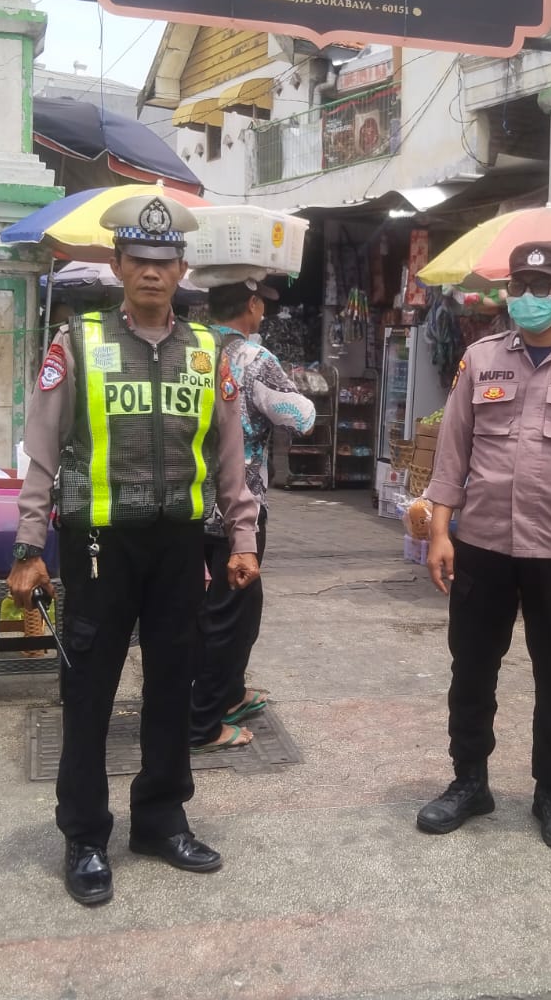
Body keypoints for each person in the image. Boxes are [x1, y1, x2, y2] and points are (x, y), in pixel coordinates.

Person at [8, 193, 261, 907]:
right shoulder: (77, 342)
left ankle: (160, 819)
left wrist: (242, 536)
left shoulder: (210, 351)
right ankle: (86, 836)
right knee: (88, 691)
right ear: (118, 265)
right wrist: (28, 543)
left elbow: (230, 456)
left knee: (173, 685)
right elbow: (42, 449)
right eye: (139, 260)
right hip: (98, 545)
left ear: (182, 269)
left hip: (180, 542)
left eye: (164, 261)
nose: (152, 272)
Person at [418, 242, 551, 851]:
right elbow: (452, 452)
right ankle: (469, 781)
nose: (528, 296)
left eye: (542, 286)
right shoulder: (480, 358)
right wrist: (440, 531)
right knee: (471, 669)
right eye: (519, 284)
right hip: (482, 544)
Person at [191, 278, 316, 753]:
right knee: (228, 614)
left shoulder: (191, 349)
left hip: (188, 505)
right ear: (252, 304)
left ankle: (229, 692)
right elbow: (301, 417)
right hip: (237, 509)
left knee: (231, 607)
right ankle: (205, 721)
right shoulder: (254, 358)